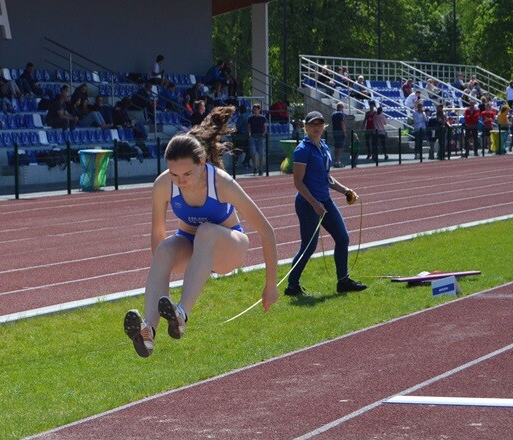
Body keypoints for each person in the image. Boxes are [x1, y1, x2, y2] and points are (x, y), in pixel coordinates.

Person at [123, 107, 278, 358]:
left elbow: (267, 231)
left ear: (202, 163)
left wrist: (271, 285)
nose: (180, 181)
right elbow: (158, 232)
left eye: (186, 174)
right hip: (192, 249)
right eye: (174, 174)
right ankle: (148, 331)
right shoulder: (164, 185)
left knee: (206, 230)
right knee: (163, 250)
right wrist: (163, 272)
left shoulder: (222, 183)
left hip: (229, 248)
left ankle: (182, 314)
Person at [284, 111, 366, 298]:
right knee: (308, 246)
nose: (316, 127)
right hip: (307, 203)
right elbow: (298, 181)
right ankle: (292, 286)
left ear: (324, 126)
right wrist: (314, 203)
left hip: (325, 200)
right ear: (306, 127)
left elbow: (326, 178)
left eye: (319, 124)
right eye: (312, 124)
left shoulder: (323, 146)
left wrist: (345, 190)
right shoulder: (302, 149)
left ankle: (343, 281)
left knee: (343, 238)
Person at [247, 102, 268, 175]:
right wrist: (249, 134)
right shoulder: (250, 118)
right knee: (253, 152)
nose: (255, 110)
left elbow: (265, 127)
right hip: (253, 136)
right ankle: (255, 167)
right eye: (254, 109)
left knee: (261, 153)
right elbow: (249, 127)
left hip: (260, 137)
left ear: (259, 110)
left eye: (256, 109)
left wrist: (264, 134)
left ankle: (261, 168)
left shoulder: (263, 118)